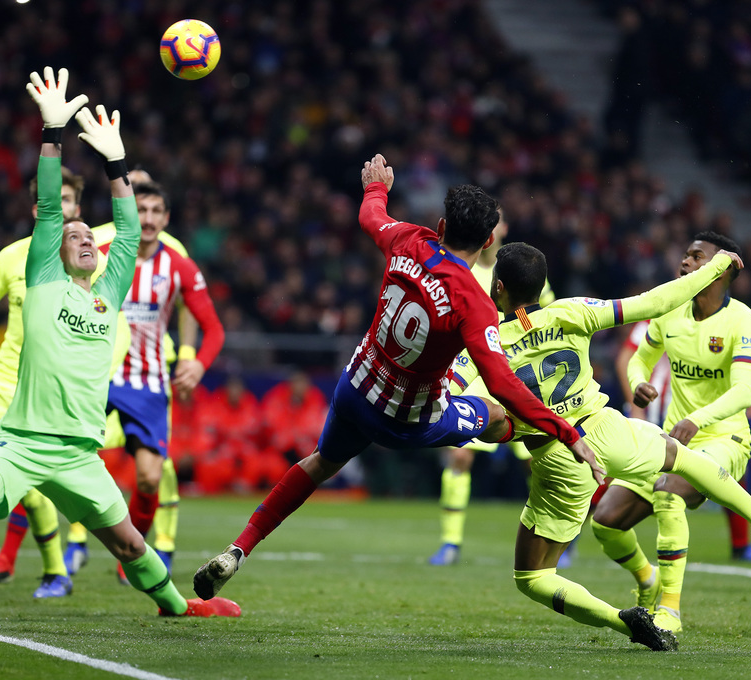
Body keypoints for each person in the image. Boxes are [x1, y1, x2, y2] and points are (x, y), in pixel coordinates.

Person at [193, 153, 604, 602]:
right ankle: (558, 490)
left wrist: (377, 187)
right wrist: (567, 431)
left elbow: (372, 216)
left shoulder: (410, 240)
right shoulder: (474, 301)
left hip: (355, 390)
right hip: (409, 421)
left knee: (318, 464)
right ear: (489, 241)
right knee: (499, 414)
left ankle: (238, 550)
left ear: (443, 226)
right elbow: (503, 381)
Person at [0, 67, 238, 618]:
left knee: (131, 544)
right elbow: (48, 209)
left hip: (78, 453)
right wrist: (52, 133)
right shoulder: (41, 280)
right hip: (20, 440)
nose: (85, 237)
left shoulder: (109, 291)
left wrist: (117, 164)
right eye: (74, 236)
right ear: (55, 250)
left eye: (91, 234)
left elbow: (130, 231)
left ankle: (177, 606)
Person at [454, 241, 751, 650]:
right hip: (606, 427)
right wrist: (715, 267)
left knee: (532, 577)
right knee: (680, 458)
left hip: (559, 457)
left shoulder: (483, 343)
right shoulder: (571, 310)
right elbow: (651, 301)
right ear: (542, 285)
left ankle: (624, 622)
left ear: (497, 287)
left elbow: (445, 395)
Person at [0, 165, 126, 598]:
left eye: (73, 203)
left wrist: (97, 385)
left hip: (53, 398)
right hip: (2, 389)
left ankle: (55, 573)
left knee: (35, 491)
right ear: (41, 206)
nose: (66, 210)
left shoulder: (93, 260)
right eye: (59, 201)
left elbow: (114, 326)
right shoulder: (14, 257)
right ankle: (47, 570)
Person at [591, 231, 751, 633]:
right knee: (605, 521)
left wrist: (697, 420)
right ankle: (647, 580)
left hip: (726, 440)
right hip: (675, 442)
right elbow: (640, 360)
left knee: (669, 494)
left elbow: (744, 391)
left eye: (696, 257)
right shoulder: (671, 312)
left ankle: (669, 611)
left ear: (721, 271)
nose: (685, 263)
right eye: (685, 255)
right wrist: (638, 383)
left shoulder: (744, 320)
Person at [69, 179, 225, 585]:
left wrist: (198, 363)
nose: (150, 219)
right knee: (59, 456)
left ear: (167, 218)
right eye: (142, 211)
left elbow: (214, 329)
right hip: (99, 377)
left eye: (157, 211)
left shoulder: (178, 265)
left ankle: (130, 551)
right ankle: (60, 553)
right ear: (129, 216)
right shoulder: (101, 257)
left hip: (148, 382)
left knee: (149, 478)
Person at [428, 208, 555, 567]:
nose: (493, 227)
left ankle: (560, 533)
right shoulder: (463, 267)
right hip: (476, 374)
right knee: (459, 455)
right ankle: (450, 542)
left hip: (517, 374)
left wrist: (509, 324)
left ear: (504, 228)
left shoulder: (520, 269)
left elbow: (541, 319)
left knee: (537, 463)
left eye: (497, 220)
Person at [615, 319, 751, 566]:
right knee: (619, 473)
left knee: (728, 469)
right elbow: (627, 357)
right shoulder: (657, 317)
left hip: (704, 415)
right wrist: (636, 404)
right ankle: (573, 540)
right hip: (660, 410)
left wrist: (743, 392)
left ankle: (742, 544)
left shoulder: (720, 318)